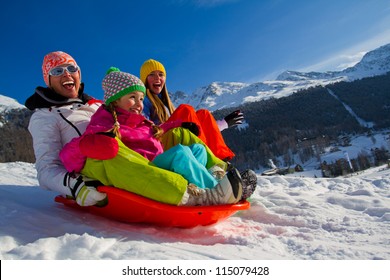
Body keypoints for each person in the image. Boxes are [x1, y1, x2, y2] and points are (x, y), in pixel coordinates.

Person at [26, 51, 243, 208]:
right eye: (57, 70)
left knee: (181, 135)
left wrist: (172, 127)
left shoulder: (95, 104)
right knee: (113, 149)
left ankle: (223, 174)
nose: (67, 74)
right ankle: (196, 195)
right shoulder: (45, 115)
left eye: (72, 68)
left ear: (79, 74)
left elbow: (138, 127)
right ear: (48, 79)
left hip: (129, 150)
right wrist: (76, 187)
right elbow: (46, 168)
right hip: (93, 162)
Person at [60, 67, 237, 192]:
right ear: (115, 100)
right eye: (132, 98)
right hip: (147, 167)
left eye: (141, 98)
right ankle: (215, 189)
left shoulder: (138, 120)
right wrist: (99, 140)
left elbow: (157, 129)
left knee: (197, 149)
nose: (139, 104)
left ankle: (219, 176)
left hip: (159, 160)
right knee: (180, 154)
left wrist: (179, 125)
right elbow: (85, 142)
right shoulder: (106, 120)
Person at [140, 59, 244, 161]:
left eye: (161, 74)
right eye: (152, 74)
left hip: (175, 137)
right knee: (185, 109)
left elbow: (195, 128)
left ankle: (223, 160)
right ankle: (205, 158)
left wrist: (223, 124)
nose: (157, 78)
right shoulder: (143, 100)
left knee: (203, 114)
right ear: (145, 80)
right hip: (160, 144)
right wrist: (178, 124)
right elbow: (145, 130)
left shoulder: (165, 103)